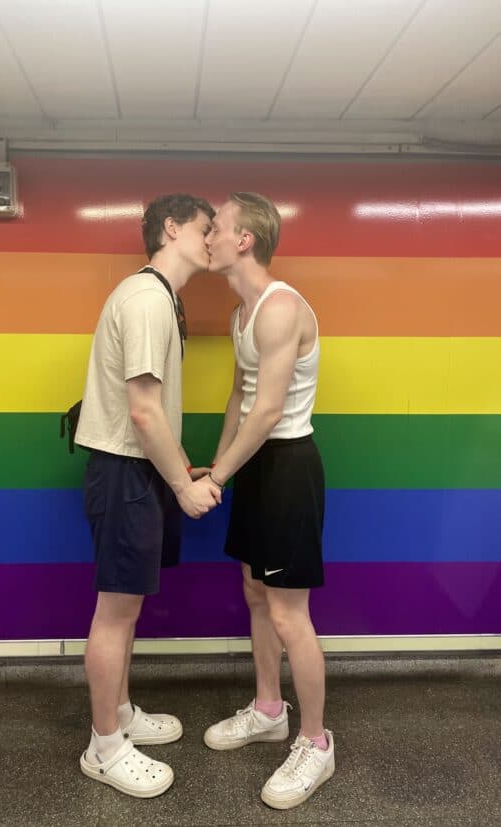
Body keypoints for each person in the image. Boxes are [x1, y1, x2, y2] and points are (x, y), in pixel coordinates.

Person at [75, 193, 222, 798]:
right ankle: (103, 746)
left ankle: (123, 712)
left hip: (142, 471)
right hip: (126, 471)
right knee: (116, 611)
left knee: (128, 607)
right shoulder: (144, 299)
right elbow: (142, 410)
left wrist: (176, 474)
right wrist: (183, 484)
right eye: (206, 227)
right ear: (171, 227)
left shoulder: (162, 297)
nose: (214, 238)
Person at [202, 192, 334, 809]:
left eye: (218, 228)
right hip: (254, 466)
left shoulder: (282, 309)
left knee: (289, 613)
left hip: (286, 466)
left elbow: (271, 410)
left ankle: (315, 742)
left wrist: (216, 479)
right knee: (256, 594)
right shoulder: (240, 312)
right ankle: (268, 710)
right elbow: (238, 397)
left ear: (245, 239)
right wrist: (218, 464)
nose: (209, 237)